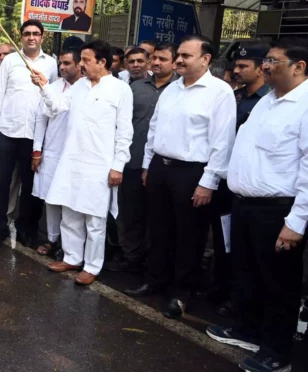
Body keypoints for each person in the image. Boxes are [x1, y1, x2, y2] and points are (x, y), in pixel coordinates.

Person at [206, 38, 308, 372]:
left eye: (273, 61)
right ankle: (248, 330)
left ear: (299, 67)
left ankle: (276, 352)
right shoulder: (268, 101)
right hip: (245, 204)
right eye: (265, 60)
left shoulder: (305, 105)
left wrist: (296, 222)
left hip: (278, 209)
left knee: (279, 283)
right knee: (245, 272)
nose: (265, 66)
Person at [125, 35, 236, 320]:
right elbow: (154, 130)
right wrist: (149, 165)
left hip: (192, 173)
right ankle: (155, 279)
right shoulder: (173, 89)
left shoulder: (219, 92)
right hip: (161, 168)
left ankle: (180, 291)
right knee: (159, 229)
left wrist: (208, 182)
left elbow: (222, 142)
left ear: (206, 59)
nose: (180, 61)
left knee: (189, 234)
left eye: (186, 56)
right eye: (180, 56)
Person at [30, 40, 133, 285]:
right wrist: (45, 86)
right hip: (72, 160)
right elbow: (57, 107)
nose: (82, 65)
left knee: (95, 219)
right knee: (70, 213)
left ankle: (92, 266)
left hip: (100, 164)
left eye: (86, 60)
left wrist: (118, 165)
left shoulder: (120, 90)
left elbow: (124, 132)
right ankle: (72, 257)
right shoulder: (78, 87)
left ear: (102, 62)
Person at [202, 43, 271, 316]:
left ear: (260, 68)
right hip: (226, 180)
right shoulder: (236, 97)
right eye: (236, 67)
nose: (237, 71)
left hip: (254, 186)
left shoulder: (267, 101)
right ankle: (220, 286)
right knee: (223, 239)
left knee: (244, 249)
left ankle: (237, 295)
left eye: (244, 67)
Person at [106, 43, 178, 273]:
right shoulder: (134, 88)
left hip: (164, 165)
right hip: (133, 161)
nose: (155, 63)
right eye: (154, 59)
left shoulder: (180, 89)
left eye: (161, 59)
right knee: (131, 213)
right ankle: (131, 258)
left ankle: (156, 262)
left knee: (159, 217)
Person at [0, 20, 58, 249]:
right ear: (21, 37)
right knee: (4, 183)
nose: (31, 37)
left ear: (42, 37)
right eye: (27, 34)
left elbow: (53, 98)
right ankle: (1, 228)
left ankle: (27, 229)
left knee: (30, 185)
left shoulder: (51, 64)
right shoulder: (10, 61)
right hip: (7, 130)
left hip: (34, 135)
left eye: (36, 34)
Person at [32, 48, 84, 258]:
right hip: (52, 151)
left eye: (67, 63)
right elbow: (40, 119)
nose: (62, 67)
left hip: (77, 153)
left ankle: (70, 245)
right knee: (51, 199)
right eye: (60, 63)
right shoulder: (52, 87)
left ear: (80, 64)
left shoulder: (87, 89)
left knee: (72, 201)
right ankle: (52, 239)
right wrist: (37, 150)